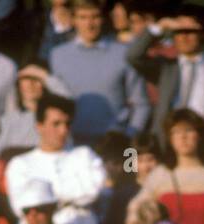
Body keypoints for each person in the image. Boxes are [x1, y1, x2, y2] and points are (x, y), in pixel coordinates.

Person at [126, 5, 204, 150]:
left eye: (190, 31)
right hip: (167, 147)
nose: (183, 37)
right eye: (178, 31)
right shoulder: (165, 68)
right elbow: (133, 56)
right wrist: (159, 27)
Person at [47, 0, 149, 147]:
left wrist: (129, 141)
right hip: (72, 145)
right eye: (83, 17)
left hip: (116, 144)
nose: (90, 24)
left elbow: (141, 104)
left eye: (95, 17)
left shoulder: (124, 53)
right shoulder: (58, 55)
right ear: (73, 20)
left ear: (104, 19)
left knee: (129, 169)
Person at [5, 94, 106, 224]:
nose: (63, 130)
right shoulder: (20, 164)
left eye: (67, 124)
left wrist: (48, 197)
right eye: (56, 124)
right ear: (39, 126)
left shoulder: (84, 155)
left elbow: (94, 191)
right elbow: (20, 206)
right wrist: (71, 197)